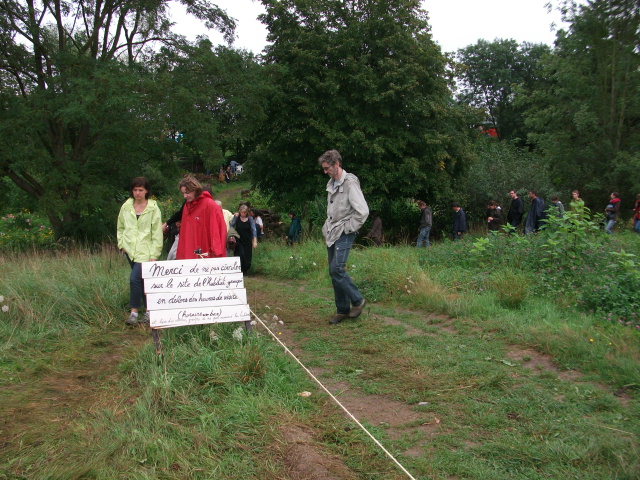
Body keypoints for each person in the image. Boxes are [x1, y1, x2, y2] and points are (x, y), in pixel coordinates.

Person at [319, 150, 369, 325]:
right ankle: (342, 310)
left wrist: (348, 228)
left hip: (344, 232)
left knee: (337, 269)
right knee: (333, 273)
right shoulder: (331, 183)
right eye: (324, 168)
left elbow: (363, 211)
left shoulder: (350, 183)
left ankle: (358, 300)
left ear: (336, 164)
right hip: (332, 232)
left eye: (327, 168)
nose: (325, 171)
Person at [117, 177, 163, 326]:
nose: (137, 193)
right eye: (135, 190)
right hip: (130, 250)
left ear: (146, 191)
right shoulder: (126, 206)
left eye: (140, 190)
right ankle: (150, 311)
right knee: (142, 282)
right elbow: (120, 227)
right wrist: (121, 244)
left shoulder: (153, 208)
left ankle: (134, 313)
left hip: (146, 251)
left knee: (134, 279)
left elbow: (157, 233)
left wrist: (154, 254)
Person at [176, 176, 227, 260]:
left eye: (187, 192)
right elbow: (184, 234)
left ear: (195, 190)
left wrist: (217, 254)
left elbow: (218, 231)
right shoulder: (187, 206)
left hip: (206, 253)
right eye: (183, 193)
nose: (185, 196)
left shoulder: (210, 205)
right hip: (190, 253)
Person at [230, 204, 258, 273]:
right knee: (240, 253)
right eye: (241, 212)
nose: (243, 214)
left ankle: (245, 270)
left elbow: (253, 230)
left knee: (247, 256)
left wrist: (255, 241)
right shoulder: (236, 217)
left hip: (247, 240)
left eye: (244, 212)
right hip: (238, 239)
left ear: (247, 212)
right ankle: (240, 269)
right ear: (239, 211)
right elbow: (231, 226)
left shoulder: (250, 219)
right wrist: (231, 235)